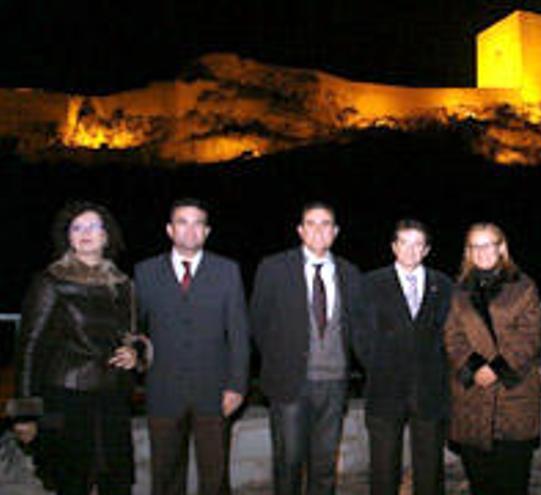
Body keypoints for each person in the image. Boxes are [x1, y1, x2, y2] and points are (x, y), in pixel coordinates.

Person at [11, 201, 149, 495]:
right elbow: (28, 347)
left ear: (106, 236)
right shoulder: (51, 282)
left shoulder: (123, 284)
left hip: (112, 399)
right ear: (68, 237)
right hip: (65, 399)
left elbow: (134, 333)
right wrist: (24, 413)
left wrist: (136, 353)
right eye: (77, 227)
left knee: (117, 482)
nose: (85, 233)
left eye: (93, 226)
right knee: (71, 482)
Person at [250, 201, 369, 495]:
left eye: (326, 223)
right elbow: (258, 323)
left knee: (325, 466)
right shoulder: (274, 268)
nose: (319, 230)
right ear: (300, 230)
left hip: (335, 384)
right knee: (289, 462)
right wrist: (281, 362)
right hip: (290, 383)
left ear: (335, 232)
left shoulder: (350, 273)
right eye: (312, 224)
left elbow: (358, 327)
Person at [134, 198, 250, 495]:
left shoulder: (227, 271)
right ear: (170, 230)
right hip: (163, 391)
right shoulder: (145, 272)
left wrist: (237, 385)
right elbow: (134, 329)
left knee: (215, 477)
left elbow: (238, 333)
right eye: (182, 222)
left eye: (198, 223)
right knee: (166, 475)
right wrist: (137, 357)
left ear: (207, 231)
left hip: (215, 393)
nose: (190, 229)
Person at [443, 222, 541, 495]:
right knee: (480, 481)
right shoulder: (459, 290)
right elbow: (452, 335)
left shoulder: (523, 286)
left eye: (488, 244)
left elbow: (530, 336)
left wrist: (497, 369)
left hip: (513, 395)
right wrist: (474, 367)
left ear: (501, 248)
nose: (482, 251)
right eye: (476, 246)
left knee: (513, 481)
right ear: (468, 252)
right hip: (472, 396)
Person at [363, 219, 453, 495]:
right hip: (385, 389)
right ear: (394, 247)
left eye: (418, 244)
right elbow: (360, 334)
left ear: (426, 250)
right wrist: (379, 365)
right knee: (383, 469)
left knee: (430, 469)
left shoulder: (443, 284)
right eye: (405, 243)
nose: (411, 250)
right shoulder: (371, 283)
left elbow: (450, 334)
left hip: (430, 391)